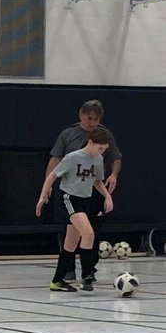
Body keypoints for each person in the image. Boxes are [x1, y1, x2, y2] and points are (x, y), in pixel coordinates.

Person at [45, 99, 122, 279]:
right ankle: (68, 269)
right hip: (71, 190)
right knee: (70, 230)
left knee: (93, 229)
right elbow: (55, 160)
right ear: (81, 115)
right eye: (90, 119)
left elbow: (116, 157)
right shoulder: (68, 134)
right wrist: (47, 185)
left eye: (96, 119)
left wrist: (114, 175)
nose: (93, 123)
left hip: (92, 190)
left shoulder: (104, 134)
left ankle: (89, 269)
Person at [36, 127, 113, 292]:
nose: (101, 152)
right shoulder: (72, 157)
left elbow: (97, 181)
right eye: (100, 148)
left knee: (70, 244)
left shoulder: (98, 159)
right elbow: (52, 175)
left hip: (85, 200)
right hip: (69, 198)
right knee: (89, 233)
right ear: (91, 142)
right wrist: (43, 197)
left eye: (104, 150)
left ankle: (57, 281)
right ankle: (87, 275)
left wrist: (107, 196)